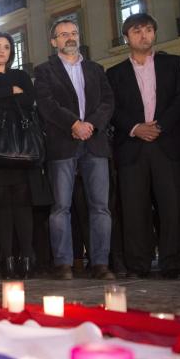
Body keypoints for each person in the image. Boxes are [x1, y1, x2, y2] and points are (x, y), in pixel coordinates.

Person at [107, 13, 180, 278]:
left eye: (147, 30)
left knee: (172, 205)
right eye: (136, 31)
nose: (143, 35)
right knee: (134, 208)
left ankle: (172, 263)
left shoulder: (174, 64)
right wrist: (135, 127)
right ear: (126, 38)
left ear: (154, 33)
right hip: (132, 146)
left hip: (166, 142)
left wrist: (159, 126)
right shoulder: (115, 73)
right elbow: (112, 108)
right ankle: (138, 263)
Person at [35, 18, 116, 281]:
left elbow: (107, 101)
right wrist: (73, 123)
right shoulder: (45, 71)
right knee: (60, 206)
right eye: (63, 34)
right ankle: (63, 264)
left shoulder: (95, 68)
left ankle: (100, 263)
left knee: (100, 206)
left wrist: (90, 124)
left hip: (94, 142)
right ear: (54, 41)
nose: (70, 37)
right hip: (63, 142)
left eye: (73, 33)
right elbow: (47, 105)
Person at [0, 33, 51, 278]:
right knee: (2, 207)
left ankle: (26, 257)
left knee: (23, 206)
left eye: (7, 47)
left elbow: (27, 100)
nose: (2, 50)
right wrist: (9, 91)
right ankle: (7, 259)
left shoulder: (21, 76)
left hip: (22, 151)